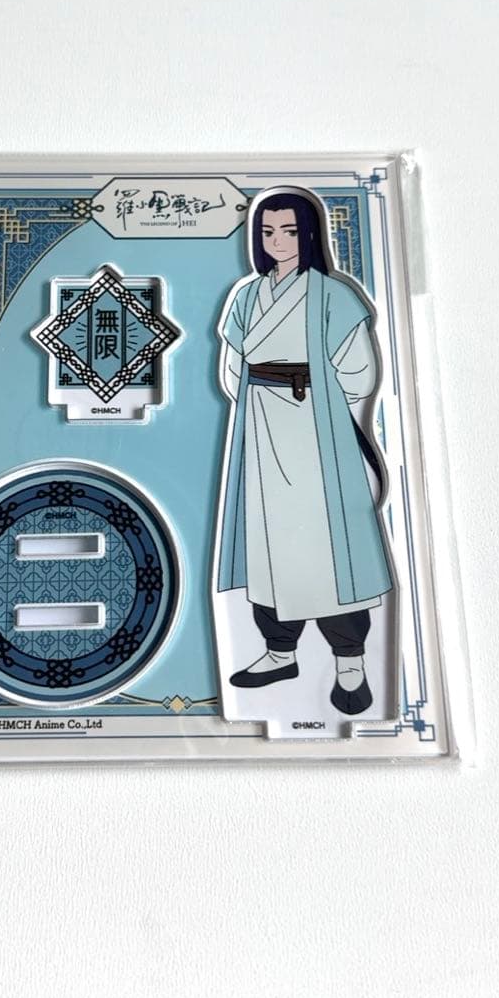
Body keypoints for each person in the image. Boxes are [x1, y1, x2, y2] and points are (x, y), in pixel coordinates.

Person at [214, 187, 393, 715]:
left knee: (328, 546)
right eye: (268, 231)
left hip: (316, 427)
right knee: (268, 543)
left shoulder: (332, 295)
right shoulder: (247, 296)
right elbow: (233, 369)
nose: (278, 242)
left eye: (290, 231)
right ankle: (279, 651)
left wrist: (325, 408)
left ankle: (350, 662)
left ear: (310, 234)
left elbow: (358, 373)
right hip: (260, 427)